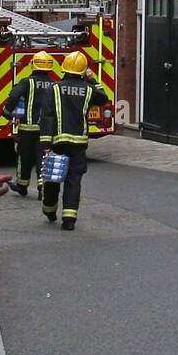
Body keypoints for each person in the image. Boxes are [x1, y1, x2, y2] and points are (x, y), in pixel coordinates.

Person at [39, 50, 110, 231]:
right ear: (82, 71)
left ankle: (49, 210)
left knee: (52, 177)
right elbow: (103, 98)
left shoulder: (53, 89)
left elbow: (47, 117)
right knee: (73, 180)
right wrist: (92, 79)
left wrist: (45, 144)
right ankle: (69, 219)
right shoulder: (88, 90)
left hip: (57, 142)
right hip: (78, 144)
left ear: (64, 69)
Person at [2, 51, 56, 198]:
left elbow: (14, 96)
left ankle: (22, 185)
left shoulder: (27, 82)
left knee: (24, 157)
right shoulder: (54, 84)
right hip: (46, 130)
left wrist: (6, 112)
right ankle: (43, 189)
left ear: (33, 65)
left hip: (27, 129)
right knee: (43, 157)